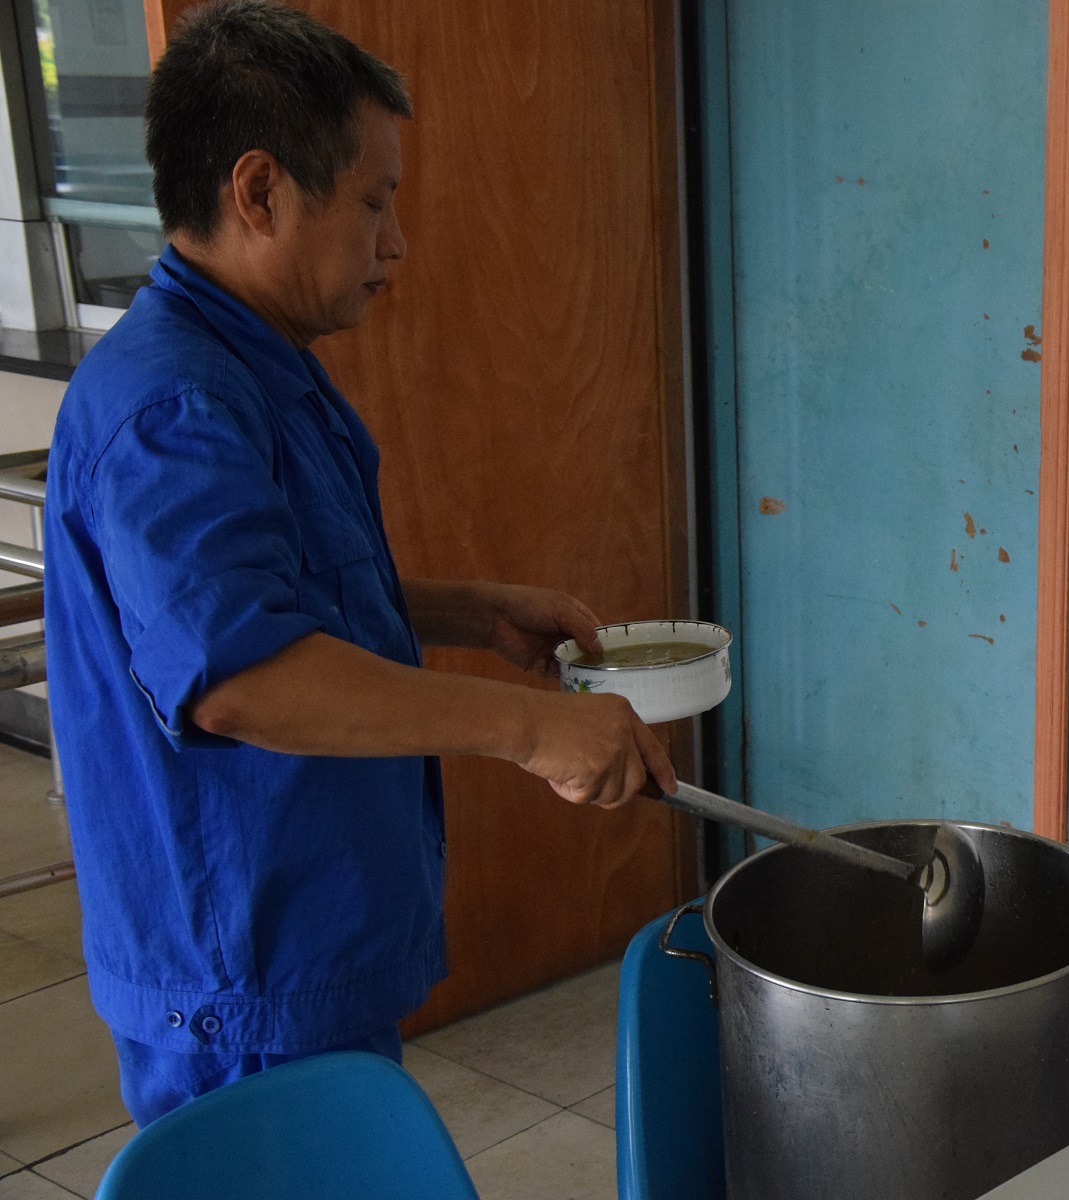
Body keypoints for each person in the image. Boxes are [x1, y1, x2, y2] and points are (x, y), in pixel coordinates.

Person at [43, 0, 675, 1125]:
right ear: (259, 192)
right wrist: (529, 731)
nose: (397, 242)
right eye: (375, 202)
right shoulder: (174, 408)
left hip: (304, 939)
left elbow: (276, 598)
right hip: (241, 973)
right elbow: (241, 679)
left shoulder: (256, 365)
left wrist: (469, 613)